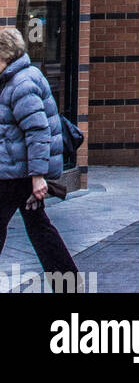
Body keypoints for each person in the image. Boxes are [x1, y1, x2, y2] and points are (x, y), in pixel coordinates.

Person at [0, 27, 78, 283]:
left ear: (4, 55)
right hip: (18, 171)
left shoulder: (21, 83)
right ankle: (70, 285)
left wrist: (37, 177)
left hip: (17, 174)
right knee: (40, 230)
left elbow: (38, 132)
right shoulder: (15, 79)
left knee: (39, 229)